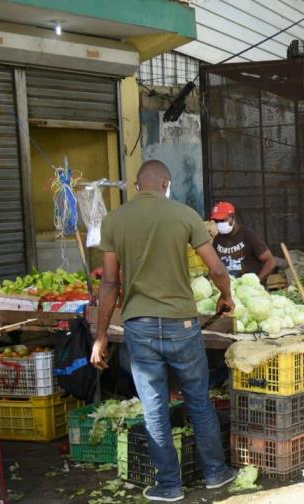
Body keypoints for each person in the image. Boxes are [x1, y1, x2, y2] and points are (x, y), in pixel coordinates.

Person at [92, 160, 237, 502]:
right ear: (166, 184)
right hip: (182, 324)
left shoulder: (115, 220)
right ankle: (216, 473)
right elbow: (216, 268)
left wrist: (100, 337)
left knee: (155, 407)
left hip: (138, 326)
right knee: (198, 400)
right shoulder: (184, 215)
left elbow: (110, 282)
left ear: (137, 186)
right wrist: (226, 297)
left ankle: (169, 486)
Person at [210, 201, 276, 283]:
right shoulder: (217, 240)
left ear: (232, 217)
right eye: (216, 221)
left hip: (250, 289)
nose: (219, 224)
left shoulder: (248, 235)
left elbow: (270, 261)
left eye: (222, 220)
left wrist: (257, 281)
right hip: (230, 288)